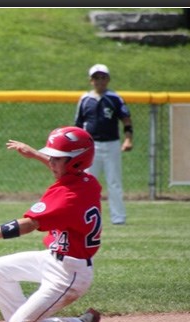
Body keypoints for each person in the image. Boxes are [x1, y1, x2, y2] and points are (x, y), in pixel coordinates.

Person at [0, 126, 101, 322]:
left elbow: (28, 224)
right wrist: (35, 154)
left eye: (56, 158)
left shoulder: (68, 197)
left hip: (69, 274)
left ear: (75, 161)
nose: (51, 161)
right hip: (52, 259)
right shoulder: (86, 181)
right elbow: (65, 169)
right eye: (51, 156)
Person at [74, 63, 133, 225]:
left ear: (108, 79)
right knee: (87, 182)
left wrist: (128, 139)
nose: (100, 80)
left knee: (114, 182)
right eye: (96, 77)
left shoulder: (114, 98)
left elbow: (126, 120)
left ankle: (118, 217)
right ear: (90, 80)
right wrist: (76, 147)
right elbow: (78, 125)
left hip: (111, 144)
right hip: (90, 147)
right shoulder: (85, 99)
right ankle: (84, 217)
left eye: (103, 77)